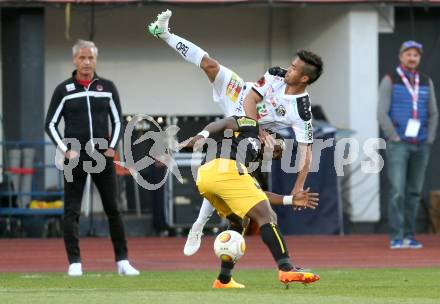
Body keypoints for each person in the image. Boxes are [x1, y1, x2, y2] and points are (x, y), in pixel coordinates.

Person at [148, 10, 323, 255]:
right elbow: (251, 98)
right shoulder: (276, 74)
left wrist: (298, 186)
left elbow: (306, 152)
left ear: (304, 78)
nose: (288, 69)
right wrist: (257, 128)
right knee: (209, 65)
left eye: (294, 68)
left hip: (249, 131)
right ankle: (164, 33)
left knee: (224, 170)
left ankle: (198, 225)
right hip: (241, 98)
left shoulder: (302, 112)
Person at [184, 115, 320, 288]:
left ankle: (223, 280)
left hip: (207, 177)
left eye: (278, 155)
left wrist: (290, 199)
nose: (275, 154)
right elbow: (224, 122)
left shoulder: (251, 162)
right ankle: (286, 267)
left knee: (241, 220)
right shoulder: (253, 128)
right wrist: (203, 134)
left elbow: (258, 194)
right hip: (223, 169)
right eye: (278, 149)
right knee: (268, 216)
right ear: (271, 136)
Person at [45, 40, 139, 276]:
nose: (86, 62)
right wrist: (65, 149)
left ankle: (123, 261)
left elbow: (118, 120)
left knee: (113, 209)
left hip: (102, 157)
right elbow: (50, 123)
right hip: (74, 157)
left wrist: (112, 147)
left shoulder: (107, 87)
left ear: (96, 60)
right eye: (82, 58)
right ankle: (74, 262)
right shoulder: (63, 89)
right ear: (75, 60)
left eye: (91, 58)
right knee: (72, 211)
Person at [378, 40, 438, 249]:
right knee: (397, 191)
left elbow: (433, 112)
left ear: (419, 58)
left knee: (414, 191)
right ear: (401, 56)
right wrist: (393, 137)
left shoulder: (425, 80)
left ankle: (410, 235)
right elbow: (381, 113)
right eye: (409, 54)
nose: (412, 58)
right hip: (399, 145)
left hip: (421, 145)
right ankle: (397, 236)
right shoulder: (390, 80)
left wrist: (429, 138)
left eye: (416, 55)